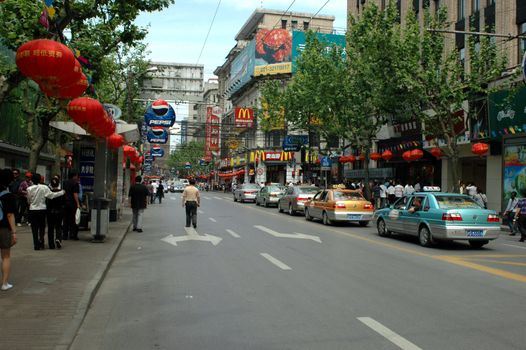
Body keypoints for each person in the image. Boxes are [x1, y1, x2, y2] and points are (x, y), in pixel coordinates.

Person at [27, 174, 65, 250]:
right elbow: (51, 195)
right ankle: (41, 241)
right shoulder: (44, 187)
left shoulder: (29, 189)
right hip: (42, 209)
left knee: (34, 228)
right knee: (42, 226)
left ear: (32, 180)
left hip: (33, 209)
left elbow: (28, 200)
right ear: (40, 180)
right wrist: (62, 192)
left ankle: (36, 244)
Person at [0, 168, 17, 291]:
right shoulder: (8, 195)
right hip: (4, 228)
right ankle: (4, 283)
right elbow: (10, 215)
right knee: (5, 256)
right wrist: (14, 232)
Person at [47, 178, 65, 249]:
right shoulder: (62, 192)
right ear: (58, 184)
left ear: (51, 184)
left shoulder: (48, 192)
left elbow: (47, 202)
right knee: (58, 226)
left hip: (50, 212)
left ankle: (51, 244)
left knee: (50, 228)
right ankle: (58, 238)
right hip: (59, 212)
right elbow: (64, 202)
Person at [63, 171, 81, 241]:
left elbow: (64, 192)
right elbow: (75, 194)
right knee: (74, 219)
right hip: (73, 203)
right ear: (73, 176)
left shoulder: (65, 182)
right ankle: (73, 234)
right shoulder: (75, 184)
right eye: (76, 176)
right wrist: (78, 203)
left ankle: (65, 235)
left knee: (66, 219)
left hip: (66, 203)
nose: (77, 177)